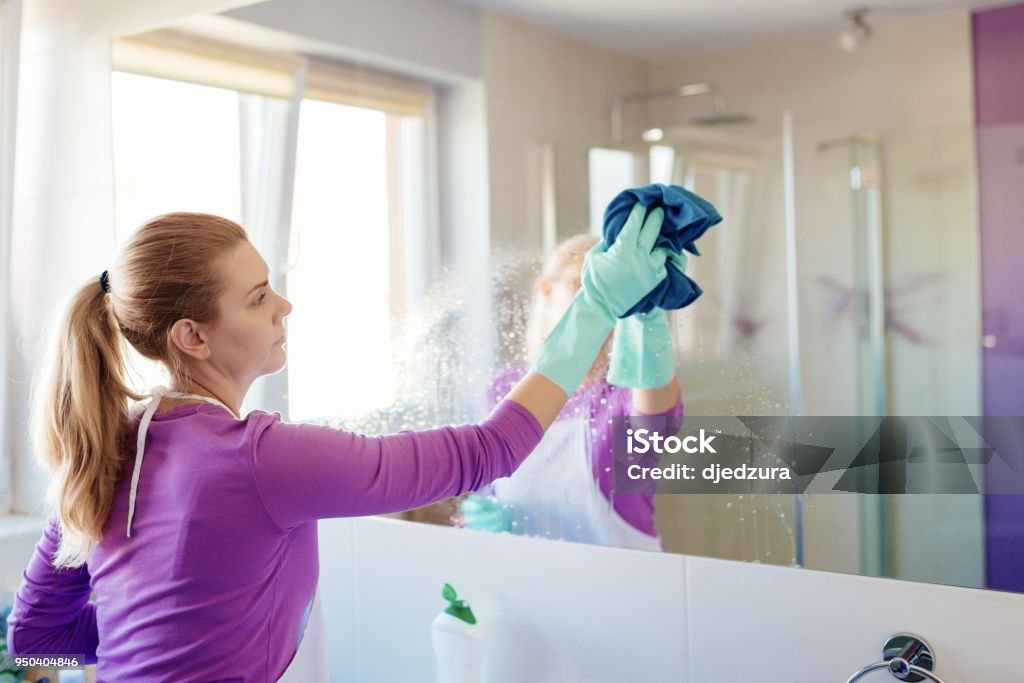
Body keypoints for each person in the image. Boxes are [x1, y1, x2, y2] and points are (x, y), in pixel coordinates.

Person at [5, 203, 669, 681]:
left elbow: (36, 637)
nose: (283, 307)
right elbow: (486, 452)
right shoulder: (260, 457)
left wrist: (151, 639)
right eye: (259, 296)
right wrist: (595, 307)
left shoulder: (112, 447)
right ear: (192, 336)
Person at [459, 234, 683, 551]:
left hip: (625, 588)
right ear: (547, 290)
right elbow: (489, 490)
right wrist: (482, 517)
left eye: (609, 292)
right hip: (528, 586)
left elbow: (655, 411)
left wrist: (646, 313)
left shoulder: (622, 393)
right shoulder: (502, 391)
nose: (598, 304)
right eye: (583, 285)